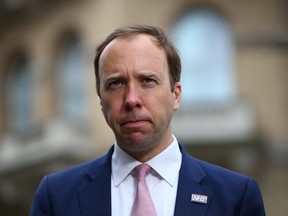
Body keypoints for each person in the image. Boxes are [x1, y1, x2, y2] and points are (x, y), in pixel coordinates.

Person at [30, 25, 266, 216]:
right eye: (116, 83)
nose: (132, 99)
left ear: (176, 95)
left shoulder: (237, 197)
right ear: (100, 99)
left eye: (148, 81)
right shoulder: (56, 196)